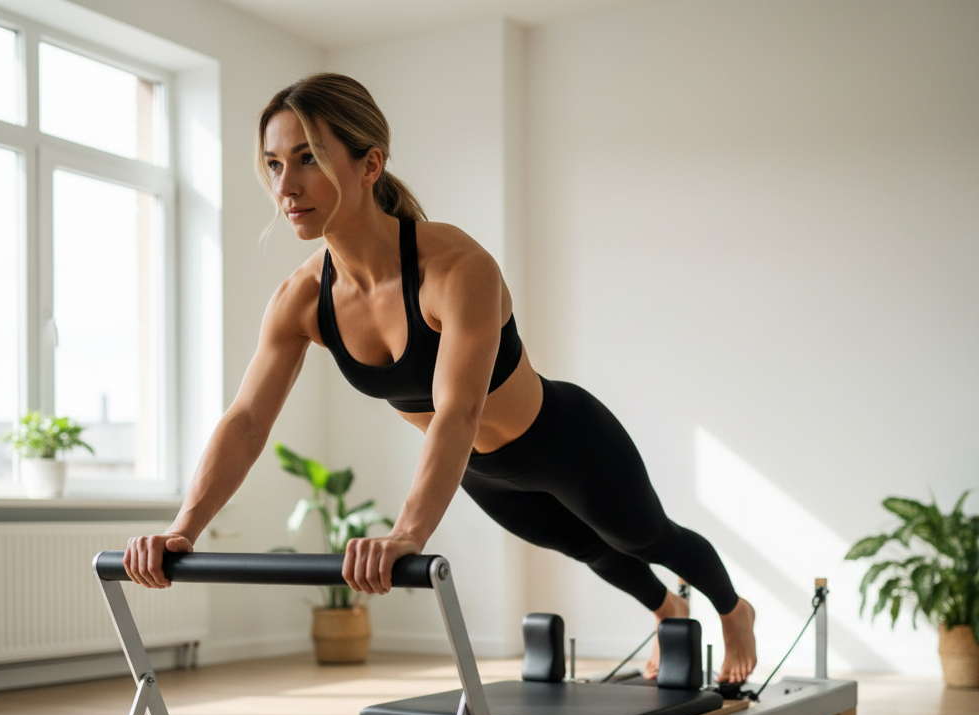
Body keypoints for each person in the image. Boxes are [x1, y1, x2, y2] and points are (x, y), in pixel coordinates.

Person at [124, 73, 757, 683]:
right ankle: (667, 610)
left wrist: (407, 534)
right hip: (478, 470)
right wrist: (185, 526)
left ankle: (734, 611)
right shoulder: (300, 299)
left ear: (369, 165)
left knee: (644, 536)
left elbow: (458, 411)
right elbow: (247, 419)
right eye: (272, 164)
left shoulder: (453, 266)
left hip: (564, 442)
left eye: (308, 158)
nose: (286, 185)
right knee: (587, 549)